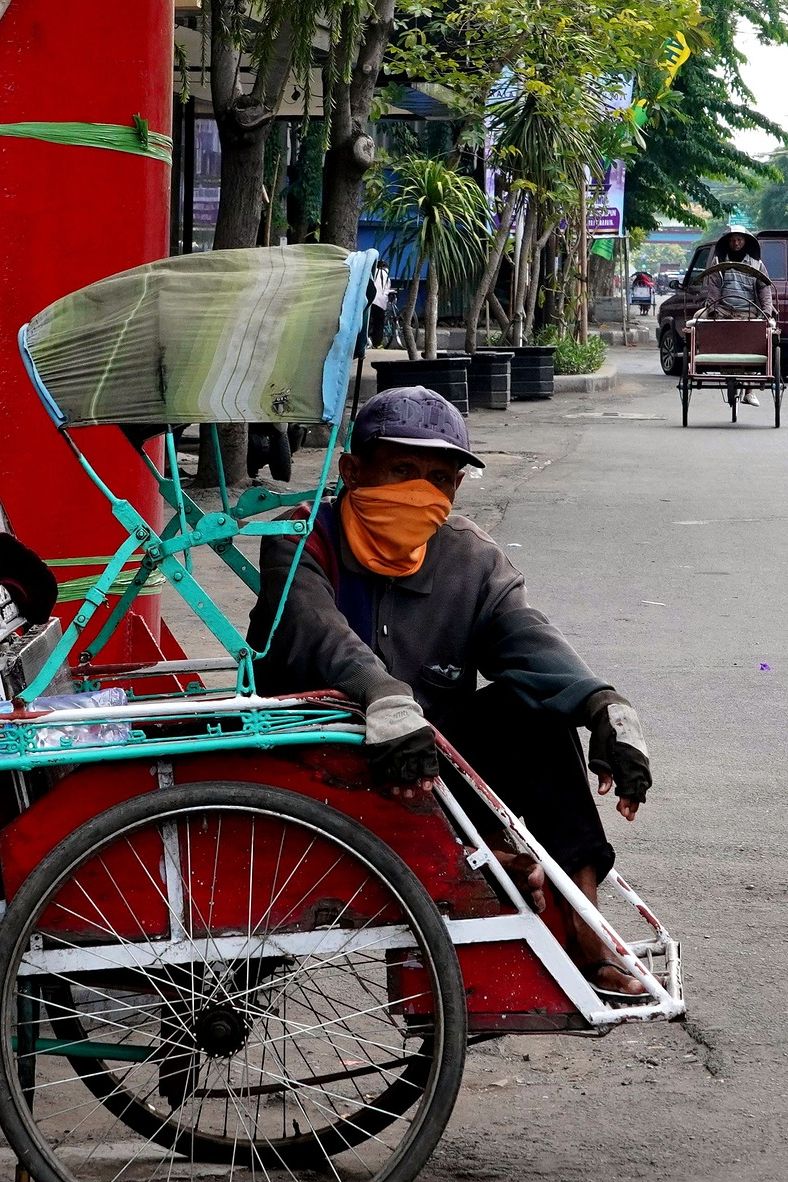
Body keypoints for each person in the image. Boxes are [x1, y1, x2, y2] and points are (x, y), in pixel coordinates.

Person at [248, 386, 652, 999]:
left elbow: (527, 639)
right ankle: (496, 861)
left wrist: (602, 706)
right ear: (352, 470)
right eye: (401, 470)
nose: (419, 490)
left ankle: (583, 915)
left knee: (537, 714)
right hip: (318, 751)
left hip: (430, 757)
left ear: (456, 490)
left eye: (439, 477)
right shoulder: (304, 537)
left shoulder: (470, 558)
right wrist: (382, 697)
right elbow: (316, 632)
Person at [706, 225, 774, 407]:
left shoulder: (756, 265)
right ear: (728, 242)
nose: (736, 243)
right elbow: (713, 288)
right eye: (733, 240)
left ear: (745, 242)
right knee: (696, 322)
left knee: (757, 342)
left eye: (739, 240)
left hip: (748, 312)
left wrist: (767, 312)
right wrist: (712, 310)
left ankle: (749, 391)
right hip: (723, 310)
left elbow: (764, 289)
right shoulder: (719, 262)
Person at [368, 261, 392, 348]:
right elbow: (386, 291)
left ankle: (366, 340)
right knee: (379, 323)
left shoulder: (373, 274)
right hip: (380, 303)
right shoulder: (386, 277)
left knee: (367, 321)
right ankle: (377, 343)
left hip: (370, 300)